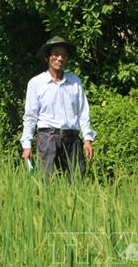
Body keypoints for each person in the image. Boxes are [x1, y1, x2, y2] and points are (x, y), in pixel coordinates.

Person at [20, 36, 96, 178]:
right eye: (55, 54)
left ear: (67, 58)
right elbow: (30, 116)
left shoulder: (75, 81)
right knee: (45, 181)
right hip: (47, 138)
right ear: (48, 57)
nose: (60, 58)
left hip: (72, 138)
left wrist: (87, 139)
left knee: (77, 180)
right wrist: (27, 145)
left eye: (63, 55)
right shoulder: (36, 83)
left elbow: (83, 112)